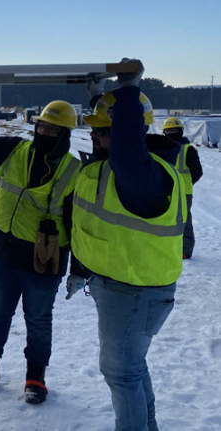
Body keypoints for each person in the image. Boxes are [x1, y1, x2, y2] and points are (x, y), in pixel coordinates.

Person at [68, 59, 185, 431]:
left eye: (103, 132)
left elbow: (127, 147)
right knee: (131, 368)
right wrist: (98, 96)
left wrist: (130, 89)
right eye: (94, 130)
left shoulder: (143, 175)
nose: (94, 137)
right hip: (123, 287)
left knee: (121, 373)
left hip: (135, 292)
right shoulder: (123, 169)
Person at [0, 94, 81, 404]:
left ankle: (35, 377)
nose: (44, 133)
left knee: (39, 321)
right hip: (3, 255)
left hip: (43, 262)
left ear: (64, 134)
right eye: (41, 127)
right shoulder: (14, 150)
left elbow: (79, 226)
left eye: (52, 130)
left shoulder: (74, 171)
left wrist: (79, 269)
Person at [162, 117, 202, 258]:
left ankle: (183, 250)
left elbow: (197, 172)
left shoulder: (164, 149)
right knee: (181, 220)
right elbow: (197, 172)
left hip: (171, 191)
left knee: (179, 221)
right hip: (178, 192)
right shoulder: (186, 149)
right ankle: (178, 248)